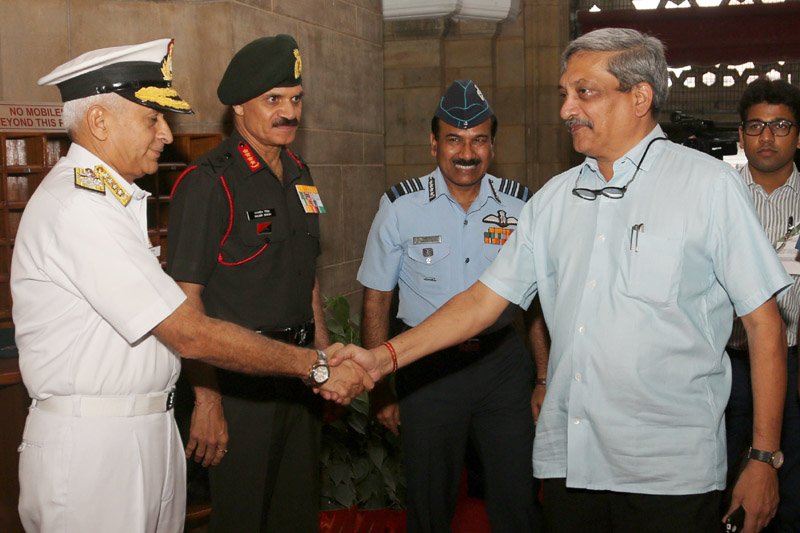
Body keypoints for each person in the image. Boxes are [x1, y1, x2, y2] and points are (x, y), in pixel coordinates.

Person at [333, 28, 791, 533]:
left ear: (639, 97)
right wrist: (382, 357)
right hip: (573, 466)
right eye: (564, 94)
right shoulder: (553, 200)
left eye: (584, 92)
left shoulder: (707, 186)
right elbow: (482, 301)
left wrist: (763, 457)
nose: (566, 109)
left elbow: (764, 325)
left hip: (669, 471)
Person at [12, 38, 370, 533]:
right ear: (99, 122)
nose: (165, 134)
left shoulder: (112, 204)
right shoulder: (80, 207)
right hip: (97, 444)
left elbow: (303, 271)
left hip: (142, 429)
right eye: (151, 119)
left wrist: (317, 357)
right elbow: (189, 330)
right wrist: (316, 368)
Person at [358, 79, 541, 532]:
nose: (467, 152)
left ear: (492, 146)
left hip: (502, 366)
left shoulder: (522, 206)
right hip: (429, 370)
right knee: (429, 500)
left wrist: (543, 377)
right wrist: (380, 386)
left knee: (518, 496)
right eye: (454, 140)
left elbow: (538, 306)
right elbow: (377, 297)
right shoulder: (400, 206)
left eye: (479, 140)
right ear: (434, 143)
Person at [166, 35, 329, 532]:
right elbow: (186, 304)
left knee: (295, 516)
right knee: (241, 519)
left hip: (299, 378)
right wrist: (209, 401)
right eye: (273, 100)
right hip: (239, 389)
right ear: (239, 106)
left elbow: (308, 276)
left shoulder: (302, 175)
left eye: (296, 99)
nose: (289, 112)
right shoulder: (209, 182)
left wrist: (322, 358)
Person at [726, 78, 800, 532]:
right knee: (718, 478)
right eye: (756, 126)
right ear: (741, 136)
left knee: (786, 488)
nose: (767, 137)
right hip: (723, 362)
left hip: (793, 364)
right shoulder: (719, 195)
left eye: (780, 125)